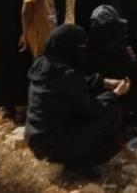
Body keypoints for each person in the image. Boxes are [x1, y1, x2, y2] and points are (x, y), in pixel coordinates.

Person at [25, 24, 130, 181]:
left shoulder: (42, 64)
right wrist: (115, 94)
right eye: (80, 46)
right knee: (113, 111)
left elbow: (75, 84)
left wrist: (104, 82)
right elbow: (93, 108)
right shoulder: (66, 76)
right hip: (55, 146)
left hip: (35, 139)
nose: (83, 50)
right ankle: (80, 165)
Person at [86, 5, 137, 136]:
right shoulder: (113, 50)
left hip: (98, 101)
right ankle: (135, 127)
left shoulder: (88, 45)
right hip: (116, 104)